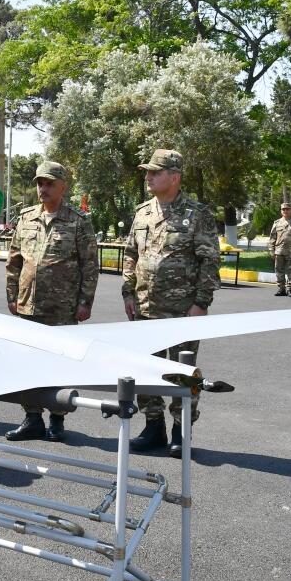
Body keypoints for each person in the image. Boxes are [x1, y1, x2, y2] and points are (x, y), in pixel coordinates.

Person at [122, 149, 220, 459]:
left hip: (182, 312)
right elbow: (130, 255)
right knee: (147, 369)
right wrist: (128, 293)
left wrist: (201, 303)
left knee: (182, 372)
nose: (148, 177)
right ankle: (154, 428)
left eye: (155, 172)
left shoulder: (197, 213)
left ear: (174, 177)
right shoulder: (142, 213)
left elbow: (209, 261)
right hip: (144, 309)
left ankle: (181, 431)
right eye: (147, 172)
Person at [4, 161, 99, 442]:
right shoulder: (26, 218)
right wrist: (12, 296)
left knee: (59, 363)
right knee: (27, 364)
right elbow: (14, 261)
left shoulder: (78, 222)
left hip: (63, 307)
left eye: (49, 183)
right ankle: (32, 418)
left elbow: (90, 266)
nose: (42, 189)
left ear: (62, 187)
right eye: (39, 183)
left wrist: (85, 302)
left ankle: (57, 420)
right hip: (27, 305)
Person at [267, 202, 291, 297]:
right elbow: (272, 238)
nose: (285, 211)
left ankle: (290, 289)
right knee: (278, 270)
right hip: (279, 250)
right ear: (281, 211)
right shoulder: (277, 223)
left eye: (287, 209)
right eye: (283, 209)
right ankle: (281, 289)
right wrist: (271, 249)